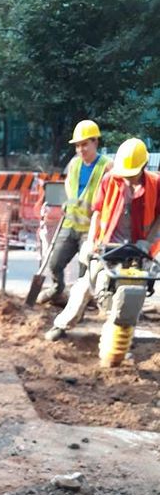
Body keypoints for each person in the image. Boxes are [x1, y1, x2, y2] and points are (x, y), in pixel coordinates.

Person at [45, 138, 160, 341]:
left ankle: (123, 338)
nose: (128, 179)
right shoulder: (109, 180)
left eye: (132, 174)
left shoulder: (155, 184)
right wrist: (91, 241)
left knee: (134, 293)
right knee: (85, 285)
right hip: (108, 245)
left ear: (143, 166)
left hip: (138, 248)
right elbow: (97, 212)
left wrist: (148, 242)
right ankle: (61, 325)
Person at [38, 120, 111, 305]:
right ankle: (57, 289)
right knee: (55, 263)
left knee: (84, 269)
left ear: (95, 142)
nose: (80, 149)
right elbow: (70, 188)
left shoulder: (107, 167)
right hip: (70, 224)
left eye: (84, 144)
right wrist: (66, 204)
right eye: (78, 145)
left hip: (92, 229)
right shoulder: (74, 164)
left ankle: (80, 305)